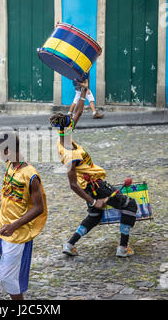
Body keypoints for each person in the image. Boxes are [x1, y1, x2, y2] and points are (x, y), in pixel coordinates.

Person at [50, 80, 138, 258]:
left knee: (95, 215)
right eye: (70, 122)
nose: (73, 122)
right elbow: (73, 184)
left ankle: (70, 244)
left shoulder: (64, 135)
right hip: (94, 186)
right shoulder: (69, 154)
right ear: (65, 126)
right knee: (130, 205)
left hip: (92, 186)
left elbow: (79, 111)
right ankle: (123, 247)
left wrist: (83, 91)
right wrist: (92, 200)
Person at [0, 132, 48, 300]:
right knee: (6, 276)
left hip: (17, 234)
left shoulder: (30, 175)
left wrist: (13, 226)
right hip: (3, 229)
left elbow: (39, 208)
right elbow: (6, 195)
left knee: (7, 278)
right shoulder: (10, 166)